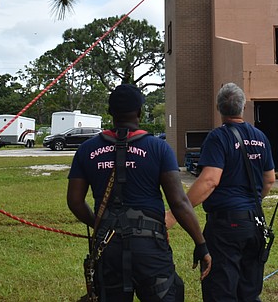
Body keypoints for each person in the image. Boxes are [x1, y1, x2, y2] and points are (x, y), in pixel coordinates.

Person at [68, 84, 211, 301]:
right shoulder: (159, 148)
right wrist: (201, 245)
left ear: (110, 112)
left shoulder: (87, 150)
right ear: (140, 112)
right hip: (150, 249)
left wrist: (101, 226)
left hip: (109, 250)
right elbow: (179, 202)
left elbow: (75, 202)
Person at [166, 83, 276, 302]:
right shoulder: (260, 137)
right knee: (249, 292)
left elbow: (209, 180)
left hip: (226, 227)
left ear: (219, 108)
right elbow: (270, 179)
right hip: (254, 223)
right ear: (243, 106)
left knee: (221, 291)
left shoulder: (218, 138)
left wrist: (175, 213)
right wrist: (249, 204)